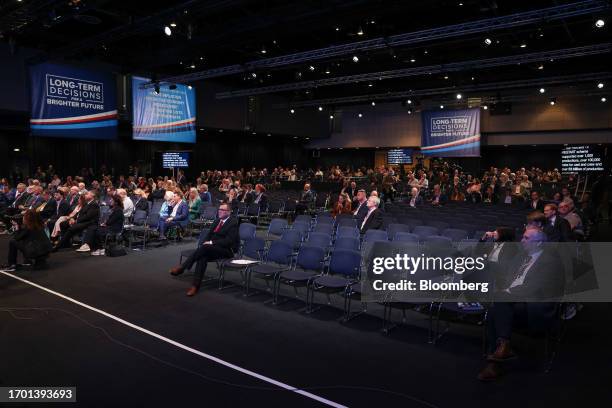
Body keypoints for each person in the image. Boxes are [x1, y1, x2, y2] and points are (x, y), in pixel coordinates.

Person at [478, 229, 564, 381]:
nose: (522, 240)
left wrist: (507, 291)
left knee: (497, 306)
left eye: (526, 238)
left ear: (538, 242)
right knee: (496, 308)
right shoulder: (521, 256)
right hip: (514, 301)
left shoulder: (551, 261)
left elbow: (534, 288)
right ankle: (501, 351)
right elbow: (506, 274)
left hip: (534, 304)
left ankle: (497, 357)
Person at [169, 203, 239, 296]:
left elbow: (229, 241)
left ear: (229, 212)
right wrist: (206, 242)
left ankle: (183, 267)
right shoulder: (217, 221)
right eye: (219, 209)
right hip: (211, 249)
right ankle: (195, 286)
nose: (220, 211)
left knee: (205, 248)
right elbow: (209, 235)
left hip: (226, 250)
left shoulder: (233, 223)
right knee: (202, 257)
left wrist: (211, 243)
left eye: (223, 210)